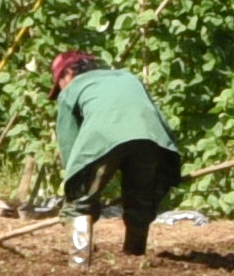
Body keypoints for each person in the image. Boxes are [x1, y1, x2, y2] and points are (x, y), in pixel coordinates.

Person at [39, 48, 183, 263]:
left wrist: (79, 185)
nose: (60, 88)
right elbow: (157, 118)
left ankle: (79, 263)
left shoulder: (72, 89)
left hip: (102, 137)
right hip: (150, 138)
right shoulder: (127, 77)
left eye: (58, 82)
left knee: (80, 203)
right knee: (140, 200)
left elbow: (69, 144)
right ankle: (135, 257)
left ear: (68, 73)